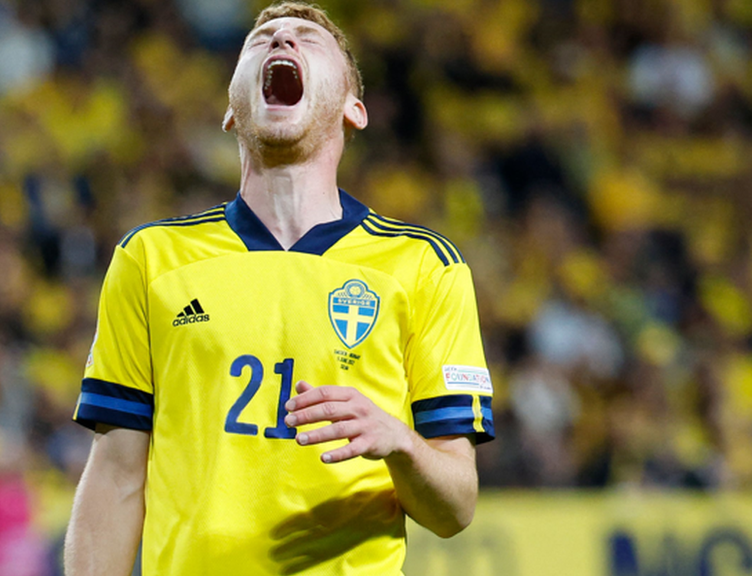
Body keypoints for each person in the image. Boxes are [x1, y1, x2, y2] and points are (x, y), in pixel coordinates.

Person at [65, 2, 494, 575]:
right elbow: (116, 474)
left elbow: (455, 507)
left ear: (354, 109)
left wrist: (402, 442)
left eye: (308, 39)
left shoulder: (424, 267)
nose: (281, 41)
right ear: (230, 112)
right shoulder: (150, 260)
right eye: (260, 39)